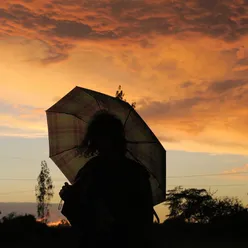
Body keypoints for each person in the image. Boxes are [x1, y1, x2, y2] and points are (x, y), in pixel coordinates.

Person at [59, 110, 154, 248]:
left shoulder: (92, 170)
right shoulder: (136, 171)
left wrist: (70, 197)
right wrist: (70, 197)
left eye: (101, 136)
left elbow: (79, 218)